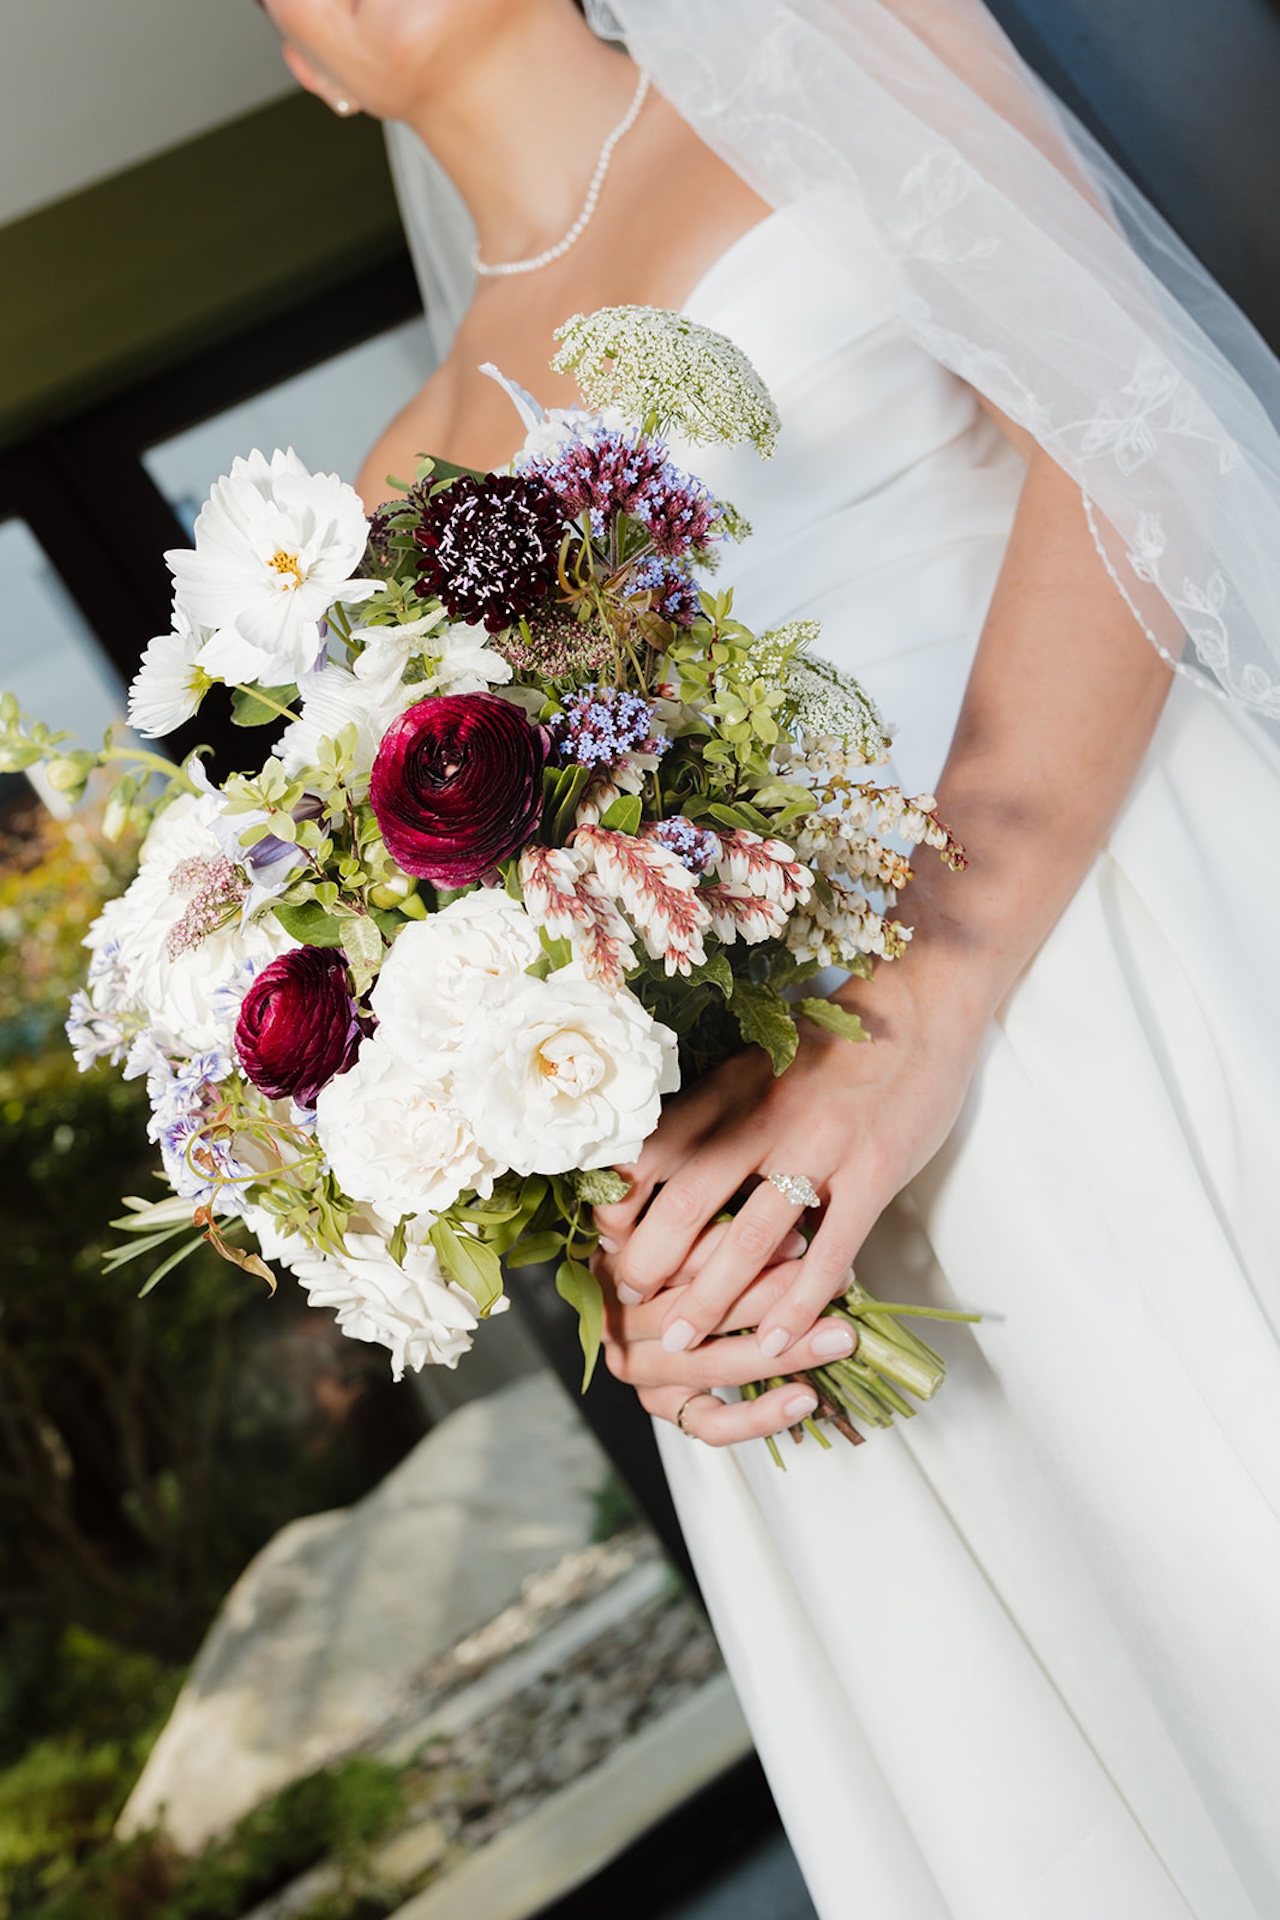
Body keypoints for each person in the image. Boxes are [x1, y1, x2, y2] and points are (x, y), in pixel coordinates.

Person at [263, 4, 1280, 1914]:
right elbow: (514, 981)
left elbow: (1130, 438)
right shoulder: (387, 501)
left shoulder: (849, 37)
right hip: (806, 1224)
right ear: (307, 72)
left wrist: (924, 1005)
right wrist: (624, 1250)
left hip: (1111, 933)